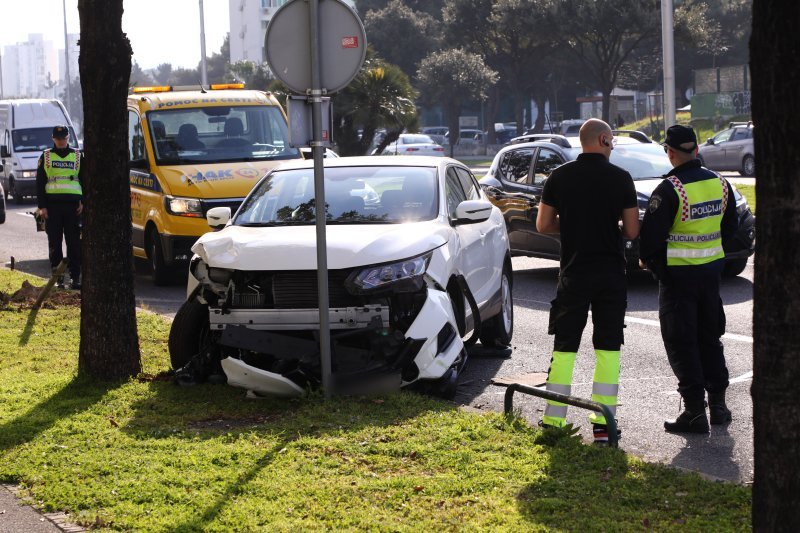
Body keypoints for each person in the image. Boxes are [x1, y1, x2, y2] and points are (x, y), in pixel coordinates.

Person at [536, 118, 639, 443]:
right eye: (612, 141)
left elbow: (543, 225)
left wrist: (572, 227)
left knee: (565, 348)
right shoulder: (621, 178)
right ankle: (602, 426)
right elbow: (633, 231)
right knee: (608, 349)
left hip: (574, 273)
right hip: (610, 274)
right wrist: (611, 229)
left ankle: (553, 423)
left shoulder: (559, 176)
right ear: (605, 140)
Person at [639, 125, 738, 433]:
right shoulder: (720, 184)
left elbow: (649, 243)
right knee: (710, 339)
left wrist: (658, 270)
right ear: (695, 150)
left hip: (678, 281)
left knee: (682, 343)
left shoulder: (670, 190)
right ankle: (719, 407)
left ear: (670, 153)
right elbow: (730, 229)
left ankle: (695, 412)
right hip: (711, 277)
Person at [36, 125, 84, 290]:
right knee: (55, 244)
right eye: (58, 139)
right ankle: (58, 278)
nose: (61, 141)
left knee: (74, 244)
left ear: (68, 138)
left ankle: (75, 277)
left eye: (64, 138)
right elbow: (40, 182)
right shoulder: (46, 156)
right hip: (52, 207)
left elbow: (84, 179)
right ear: (53, 139)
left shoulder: (77, 155)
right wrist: (42, 207)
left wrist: (83, 201)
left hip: (72, 207)